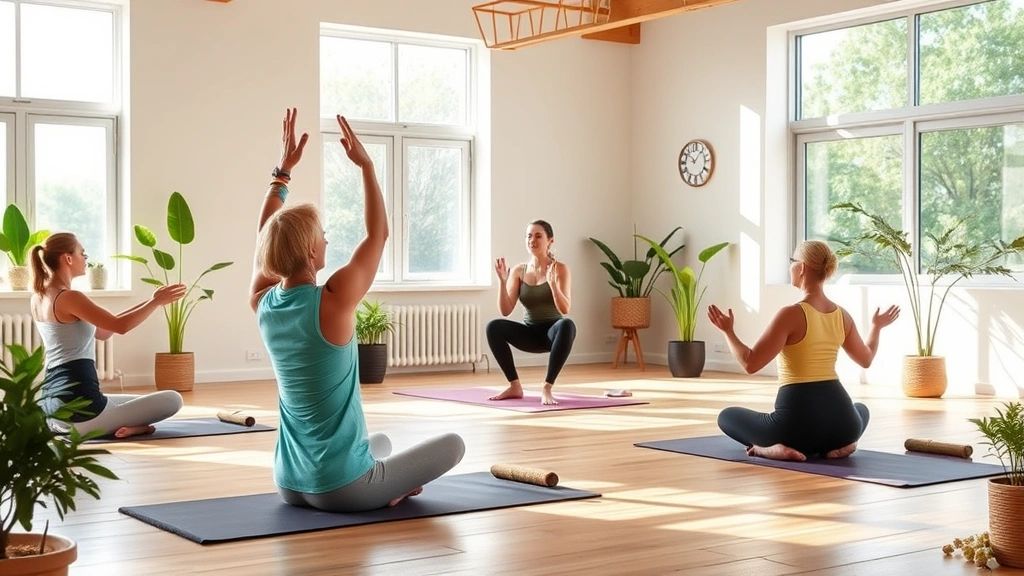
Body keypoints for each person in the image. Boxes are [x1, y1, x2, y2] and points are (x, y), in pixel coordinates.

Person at [250, 108, 465, 512]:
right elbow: (378, 234)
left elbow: (265, 238)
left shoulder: (263, 302)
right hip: (342, 489)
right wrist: (366, 166)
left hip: (289, 483)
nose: (328, 242)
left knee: (378, 443)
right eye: (324, 236)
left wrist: (282, 174)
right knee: (454, 445)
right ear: (312, 252)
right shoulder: (332, 301)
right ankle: (387, 491)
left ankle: (379, 480)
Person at [706, 240, 899, 461]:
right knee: (860, 410)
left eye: (792, 261)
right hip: (843, 426)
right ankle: (842, 445)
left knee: (727, 417)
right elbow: (866, 359)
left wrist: (728, 332)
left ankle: (767, 449)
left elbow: (750, 363)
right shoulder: (842, 316)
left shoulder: (790, 314)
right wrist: (876, 327)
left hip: (794, 429)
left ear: (803, 268)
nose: (791, 267)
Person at [29, 233, 186, 439]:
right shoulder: (69, 297)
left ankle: (127, 425)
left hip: (52, 406)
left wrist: (153, 300)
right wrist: (156, 302)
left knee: (137, 401)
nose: (86, 258)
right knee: (173, 400)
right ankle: (131, 427)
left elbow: (104, 331)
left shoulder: (40, 296)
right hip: (80, 409)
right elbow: (120, 326)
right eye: (82, 253)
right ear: (68, 258)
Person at [487, 220, 575, 405]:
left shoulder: (560, 269)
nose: (532, 240)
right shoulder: (519, 271)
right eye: (529, 236)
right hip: (529, 333)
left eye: (538, 236)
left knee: (568, 324)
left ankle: (547, 387)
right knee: (493, 326)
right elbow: (505, 310)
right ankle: (515, 386)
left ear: (550, 240)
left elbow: (565, 309)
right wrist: (502, 283)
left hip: (552, 333)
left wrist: (552, 285)